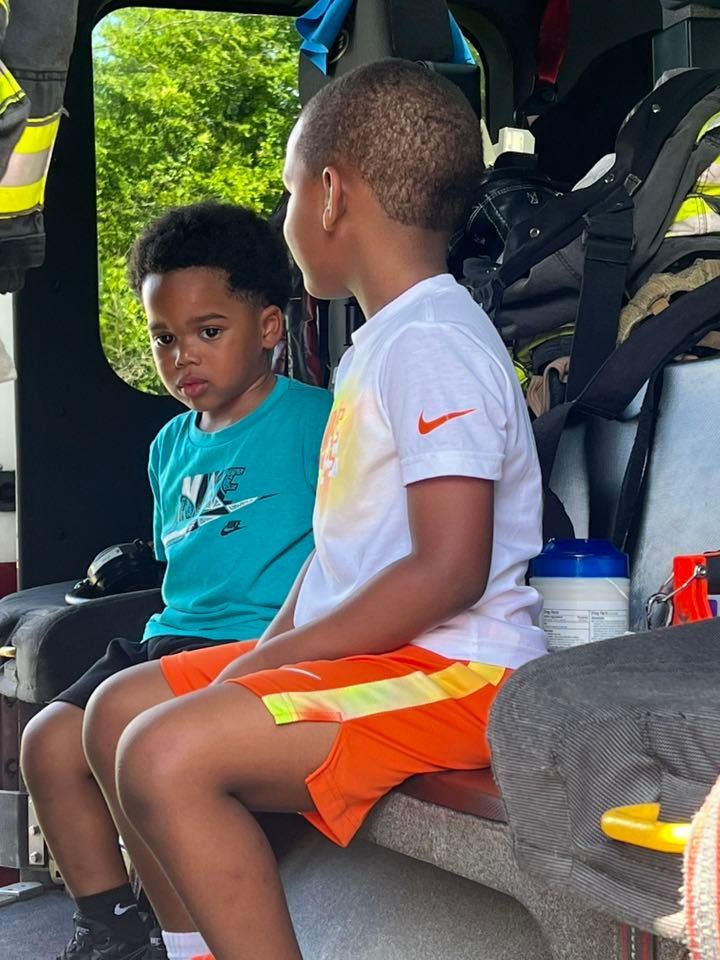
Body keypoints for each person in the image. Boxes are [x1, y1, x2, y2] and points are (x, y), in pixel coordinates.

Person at [84, 59, 547, 960]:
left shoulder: (435, 344)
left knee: (164, 753)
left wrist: (278, 659)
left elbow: (449, 568)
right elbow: (335, 553)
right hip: (387, 656)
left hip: (460, 672)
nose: (289, 217)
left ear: (331, 195)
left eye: (290, 191)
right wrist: (265, 651)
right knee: (114, 711)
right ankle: (190, 948)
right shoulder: (382, 344)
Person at [20, 201, 332, 960]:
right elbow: (179, 564)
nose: (182, 357)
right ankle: (112, 929)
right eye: (164, 339)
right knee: (46, 743)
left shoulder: (317, 421)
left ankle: (181, 933)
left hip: (258, 642)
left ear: (268, 328)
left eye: (208, 333)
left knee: (124, 724)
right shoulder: (167, 447)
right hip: (170, 638)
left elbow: (345, 550)